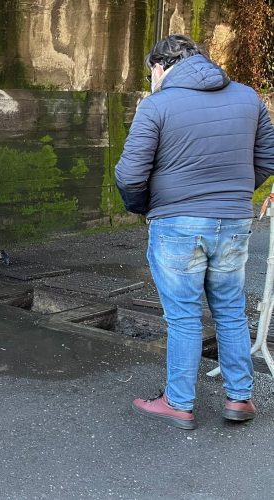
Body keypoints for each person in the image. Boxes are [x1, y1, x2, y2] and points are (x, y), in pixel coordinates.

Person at [115, 34, 274, 430]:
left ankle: (179, 403)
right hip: (234, 220)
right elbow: (268, 157)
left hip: (177, 223)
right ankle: (240, 398)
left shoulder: (157, 105)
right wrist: (234, 194)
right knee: (231, 310)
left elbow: (129, 174)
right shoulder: (249, 98)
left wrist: (144, 206)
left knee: (185, 317)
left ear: (159, 67)